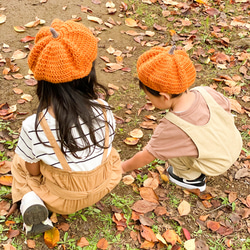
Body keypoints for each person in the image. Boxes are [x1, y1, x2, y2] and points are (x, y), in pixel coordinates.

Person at [11, 19, 122, 237]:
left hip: (62, 200)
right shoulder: (104, 108)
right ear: (89, 72)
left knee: (20, 163)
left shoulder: (33, 126)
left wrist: (34, 176)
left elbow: (33, 170)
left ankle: (28, 199)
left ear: (42, 80)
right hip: (104, 183)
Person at [122, 46, 242, 193]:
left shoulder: (171, 127)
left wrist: (123, 167)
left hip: (215, 164)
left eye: (149, 97)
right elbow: (226, 109)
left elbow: (147, 155)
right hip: (234, 144)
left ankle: (190, 179)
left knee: (173, 148)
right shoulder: (205, 91)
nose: (148, 100)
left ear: (164, 96)